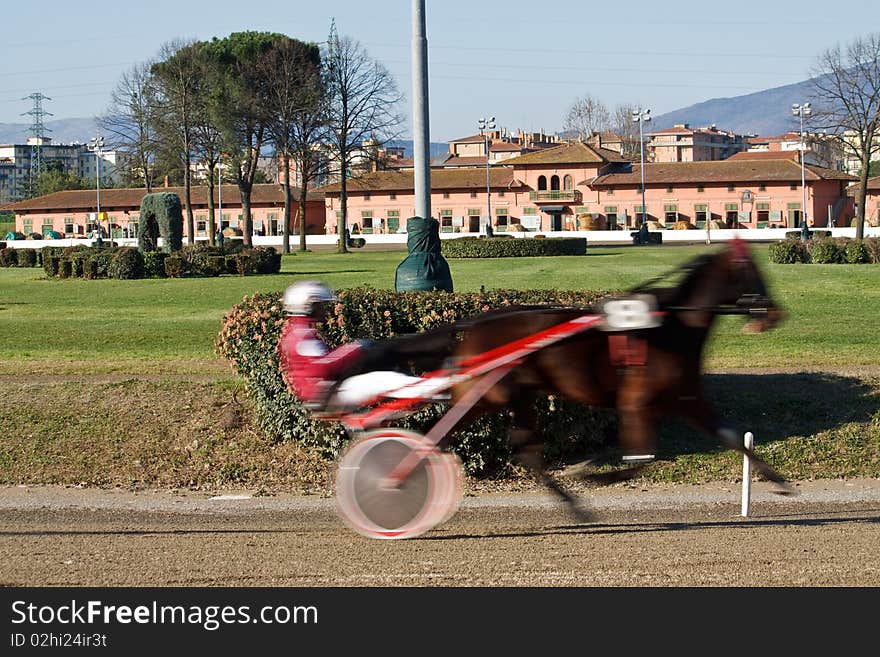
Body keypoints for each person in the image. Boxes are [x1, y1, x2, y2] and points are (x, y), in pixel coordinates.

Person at [277, 280, 453, 411]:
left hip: (330, 390)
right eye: (320, 306)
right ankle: (442, 388)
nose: (325, 310)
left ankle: (436, 382)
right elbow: (322, 367)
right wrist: (355, 348)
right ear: (308, 306)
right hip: (330, 393)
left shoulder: (299, 331)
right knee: (384, 379)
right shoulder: (301, 335)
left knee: (386, 357)